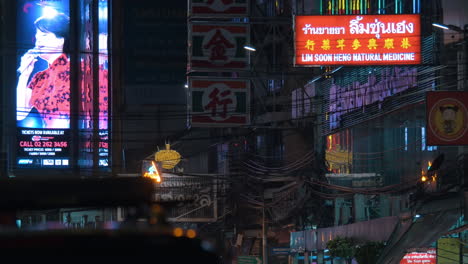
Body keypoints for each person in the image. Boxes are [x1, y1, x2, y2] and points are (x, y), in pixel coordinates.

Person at [16, 12, 70, 128]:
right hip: (49, 139)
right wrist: (24, 75)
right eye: (37, 37)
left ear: (61, 39)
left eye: (44, 35)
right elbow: (19, 114)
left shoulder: (79, 70)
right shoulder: (39, 77)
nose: (38, 41)